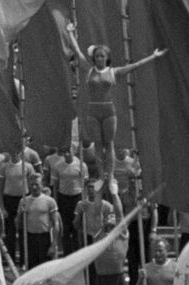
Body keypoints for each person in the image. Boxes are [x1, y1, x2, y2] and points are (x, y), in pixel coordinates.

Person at [64, 23, 167, 180]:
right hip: (93, 110)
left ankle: (110, 175)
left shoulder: (113, 72)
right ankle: (101, 175)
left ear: (107, 58)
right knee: (98, 144)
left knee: (109, 143)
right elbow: (77, 52)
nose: (100, 58)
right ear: (94, 58)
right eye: (97, 56)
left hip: (108, 110)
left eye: (102, 56)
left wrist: (153, 56)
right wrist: (70, 32)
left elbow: (135, 66)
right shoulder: (89, 70)